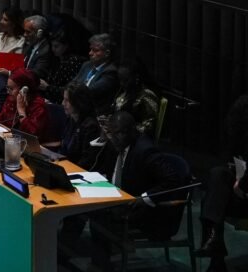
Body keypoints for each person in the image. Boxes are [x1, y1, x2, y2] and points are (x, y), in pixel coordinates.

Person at [90, 112, 190, 271]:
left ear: (130, 132)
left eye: (119, 133)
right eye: (112, 133)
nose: (114, 138)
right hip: (121, 200)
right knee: (91, 208)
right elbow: (100, 166)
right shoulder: (117, 143)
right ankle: (99, 262)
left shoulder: (145, 150)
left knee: (98, 214)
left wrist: (144, 198)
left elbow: (172, 180)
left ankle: (101, 266)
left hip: (146, 212)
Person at [197, 94, 248, 271]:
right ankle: (214, 244)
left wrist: (240, 186)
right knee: (218, 178)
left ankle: (214, 251)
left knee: (213, 196)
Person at [0, 68, 53, 141]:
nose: (8, 92)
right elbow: (3, 118)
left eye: (11, 89)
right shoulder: (12, 98)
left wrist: (21, 111)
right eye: (7, 88)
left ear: (24, 90)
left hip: (29, 146)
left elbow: (31, 136)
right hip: (11, 140)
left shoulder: (39, 107)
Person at [59, 82, 102, 170]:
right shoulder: (71, 119)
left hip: (76, 171)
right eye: (63, 99)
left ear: (78, 102)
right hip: (65, 166)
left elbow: (86, 161)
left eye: (67, 100)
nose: (63, 103)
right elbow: (64, 147)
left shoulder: (91, 127)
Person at [73, 33, 119, 114]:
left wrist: (72, 90)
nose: (90, 53)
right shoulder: (87, 65)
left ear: (107, 53)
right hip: (78, 107)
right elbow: (72, 84)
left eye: (95, 50)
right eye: (91, 49)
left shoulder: (111, 72)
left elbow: (90, 91)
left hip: (95, 113)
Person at [113, 60, 160, 137]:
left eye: (125, 80)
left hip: (137, 138)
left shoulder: (147, 95)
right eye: (120, 80)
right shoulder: (124, 93)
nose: (122, 84)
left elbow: (149, 126)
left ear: (136, 78)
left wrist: (126, 130)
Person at [40, 30, 86, 103]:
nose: (53, 49)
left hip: (64, 101)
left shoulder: (74, 62)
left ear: (66, 46)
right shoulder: (56, 58)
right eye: (52, 46)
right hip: (50, 98)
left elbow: (69, 89)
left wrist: (48, 87)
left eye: (56, 46)